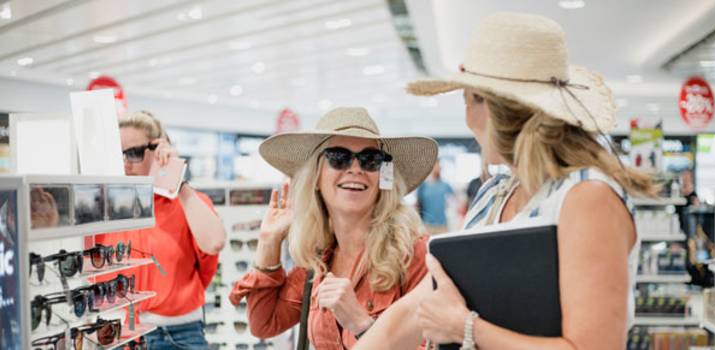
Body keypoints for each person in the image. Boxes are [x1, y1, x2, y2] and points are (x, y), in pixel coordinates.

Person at [355, 12, 657, 349]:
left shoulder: (587, 198)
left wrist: (467, 329)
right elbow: (418, 307)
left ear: (492, 108)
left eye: (468, 100)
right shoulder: (494, 195)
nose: (467, 118)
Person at [228, 107, 438, 349]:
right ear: (315, 177)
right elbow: (264, 324)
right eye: (339, 157)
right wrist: (268, 241)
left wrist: (362, 325)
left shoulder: (412, 253)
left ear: (382, 176)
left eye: (370, 160)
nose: (356, 169)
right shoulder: (316, 259)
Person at [94, 110, 226, 349]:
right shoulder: (102, 206)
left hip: (176, 333)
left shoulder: (184, 202)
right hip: (113, 334)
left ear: (157, 152)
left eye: (133, 153)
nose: (124, 162)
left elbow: (214, 242)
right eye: (118, 153)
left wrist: (176, 178)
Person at [416, 161, 455, 234]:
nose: (438, 168)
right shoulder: (423, 186)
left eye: (439, 166)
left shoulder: (445, 185)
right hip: (427, 225)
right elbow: (417, 205)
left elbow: (455, 200)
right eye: (436, 166)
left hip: (442, 225)